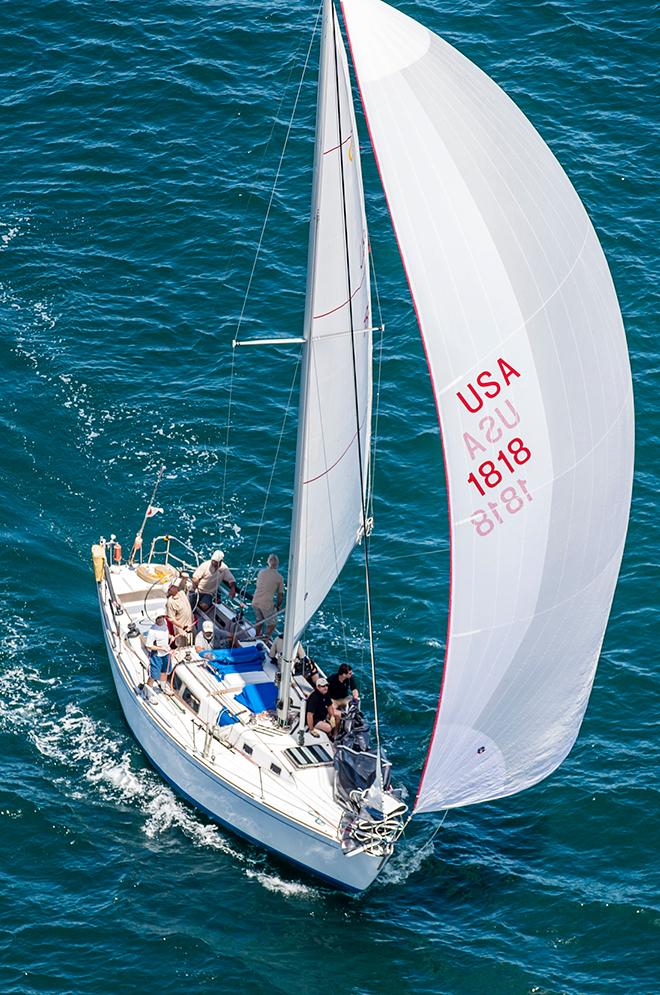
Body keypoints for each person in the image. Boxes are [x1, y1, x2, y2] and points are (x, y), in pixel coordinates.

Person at [252, 553, 284, 638]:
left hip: (255, 601)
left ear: (268, 562)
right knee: (273, 623)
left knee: (259, 620)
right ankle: (265, 639)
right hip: (266, 604)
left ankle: (257, 635)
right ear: (277, 564)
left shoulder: (261, 572)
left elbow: (259, 585)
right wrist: (277, 607)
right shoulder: (280, 578)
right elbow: (280, 596)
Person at [144, 612, 172, 700]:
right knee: (153, 676)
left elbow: (165, 635)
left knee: (164, 671)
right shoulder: (152, 630)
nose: (160, 619)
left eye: (162, 617)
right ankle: (148, 695)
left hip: (166, 653)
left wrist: (170, 636)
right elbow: (148, 645)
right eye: (158, 617)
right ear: (155, 619)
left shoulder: (165, 624)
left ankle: (163, 688)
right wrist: (161, 648)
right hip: (156, 655)